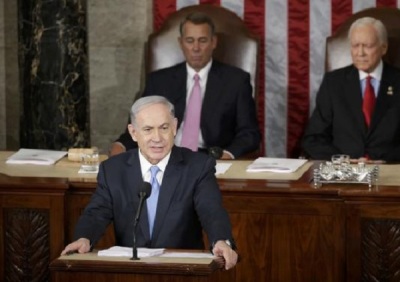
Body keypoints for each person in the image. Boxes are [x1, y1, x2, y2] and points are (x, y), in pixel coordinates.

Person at [61, 96, 238, 270]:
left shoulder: (198, 167)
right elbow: (97, 212)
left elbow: (211, 210)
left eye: (164, 128)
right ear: (133, 133)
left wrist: (221, 240)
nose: (157, 138)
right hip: (131, 271)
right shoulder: (114, 169)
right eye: (147, 129)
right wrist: (84, 238)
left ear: (174, 127)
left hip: (181, 270)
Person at [109, 12, 260, 159]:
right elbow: (138, 125)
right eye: (189, 40)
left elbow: (249, 133)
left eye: (202, 40)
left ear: (213, 42)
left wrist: (227, 154)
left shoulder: (236, 81)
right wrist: (120, 145)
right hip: (164, 157)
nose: (195, 48)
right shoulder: (159, 81)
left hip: (211, 160)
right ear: (181, 43)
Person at [302, 17, 400, 162]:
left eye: (368, 46)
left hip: (391, 170)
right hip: (344, 172)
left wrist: (387, 160)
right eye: (355, 46)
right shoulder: (333, 83)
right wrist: (342, 160)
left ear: (383, 48)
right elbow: (314, 138)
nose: (360, 53)